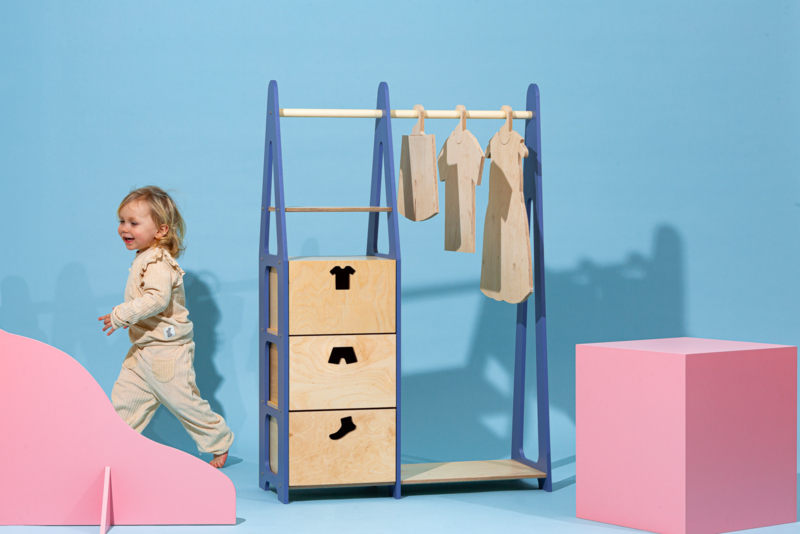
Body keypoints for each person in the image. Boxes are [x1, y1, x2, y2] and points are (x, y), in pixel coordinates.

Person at [99, 186, 233, 468]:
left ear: (160, 230)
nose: (125, 228)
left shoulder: (158, 261)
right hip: (143, 349)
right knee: (124, 401)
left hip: (166, 350)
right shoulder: (144, 256)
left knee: (182, 400)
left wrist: (121, 314)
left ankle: (218, 440)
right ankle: (110, 449)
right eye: (122, 221)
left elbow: (157, 300)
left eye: (134, 223)